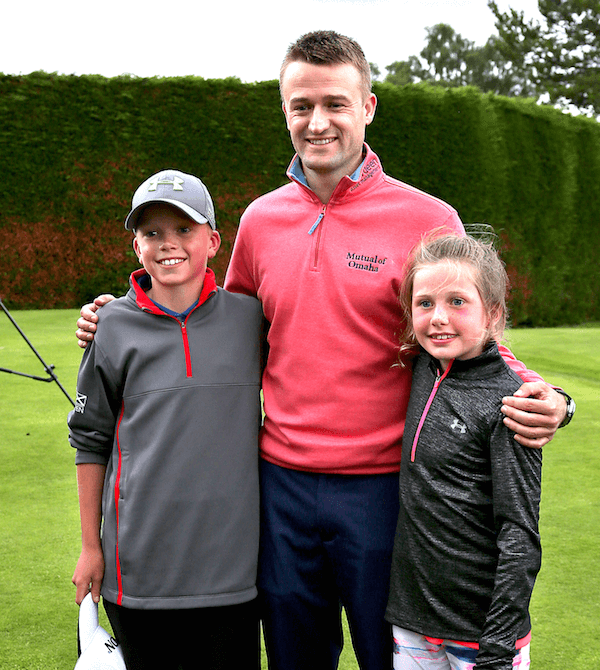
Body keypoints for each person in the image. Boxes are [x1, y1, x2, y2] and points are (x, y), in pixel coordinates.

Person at [75, 32, 572, 670]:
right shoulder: (259, 221)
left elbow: (472, 338)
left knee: (384, 658)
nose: (318, 122)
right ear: (284, 111)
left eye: (335, 104)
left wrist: (557, 399)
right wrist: (122, 315)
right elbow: (213, 321)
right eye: (300, 106)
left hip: (386, 491)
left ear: (367, 106)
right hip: (277, 487)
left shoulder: (427, 218)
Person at [68, 169, 263, 670]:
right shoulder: (110, 326)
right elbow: (90, 440)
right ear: (136, 246)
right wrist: (90, 547)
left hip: (235, 575)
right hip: (138, 577)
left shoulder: (249, 319)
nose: (167, 244)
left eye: (184, 230)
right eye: (151, 232)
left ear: (214, 241)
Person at [385, 233, 543, 670]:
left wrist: (499, 644)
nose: (438, 318)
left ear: (492, 314)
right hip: (414, 620)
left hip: (481, 632)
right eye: (425, 303)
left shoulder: (512, 404)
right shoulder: (422, 366)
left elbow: (520, 535)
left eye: (457, 302)